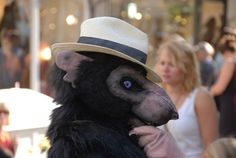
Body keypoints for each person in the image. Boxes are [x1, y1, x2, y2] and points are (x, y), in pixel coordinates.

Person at [153, 36, 219, 158]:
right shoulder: (154, 95)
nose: (165, 69)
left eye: (172, 64)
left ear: (187, 68)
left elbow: (212, 147)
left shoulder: (201, 97)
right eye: (162, 63)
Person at [210, 34, 236, 137]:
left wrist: (208, 92)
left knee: (228, 136)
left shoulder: (230, 62)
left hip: (229, 104)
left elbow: (220, 87)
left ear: (224, 52)